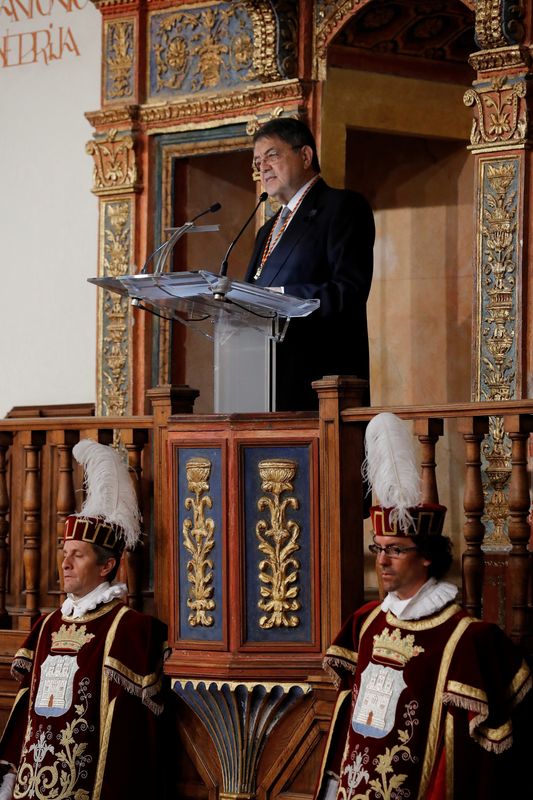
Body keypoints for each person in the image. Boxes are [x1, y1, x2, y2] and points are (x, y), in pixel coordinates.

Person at [314, 413, 532, 799]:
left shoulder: (463, 638)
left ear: (427, 556)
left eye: (395, 551)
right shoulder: (366, 623)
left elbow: (467, 760)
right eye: (378, 549)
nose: (382, 561)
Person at [0, 439, 168, 800]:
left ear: (107, 565)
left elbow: (133, 739)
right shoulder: (46, 626)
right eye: (65, 554)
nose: (65, 563)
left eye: (78, 555)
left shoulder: (129, 629)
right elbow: (27, 710)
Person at [244, 117, 374, 411]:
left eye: (272, 155)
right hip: (262, 382)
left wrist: (278, 298)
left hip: (319, 382)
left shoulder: (342, 207)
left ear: (305, 155)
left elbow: (348, 291)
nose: (262, 167)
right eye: (257, 161)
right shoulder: (268, 229)